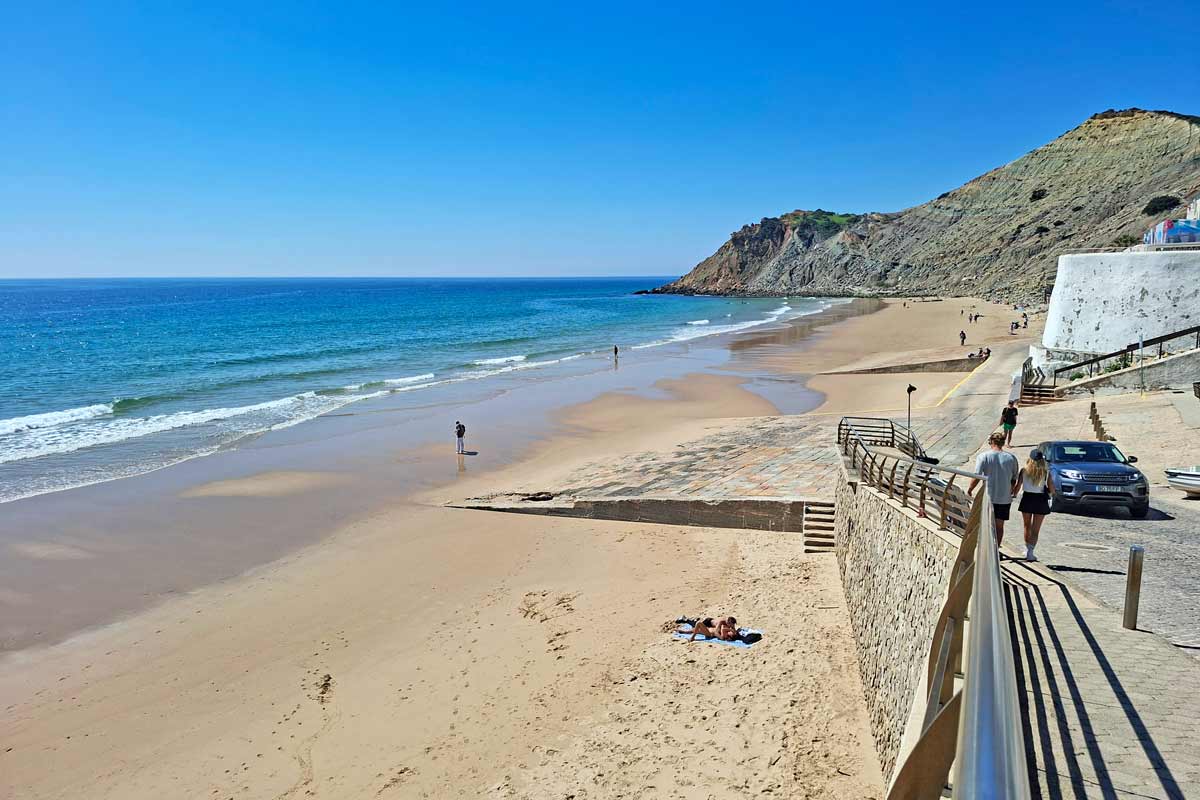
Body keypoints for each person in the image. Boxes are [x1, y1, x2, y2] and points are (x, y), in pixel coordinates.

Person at [968, 432, 1020, 545]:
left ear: (991, 442)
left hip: (988, 496)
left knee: (986, 523)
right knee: (999, 525)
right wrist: (1010, 490)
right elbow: (1014, 479)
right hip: (1004, 498)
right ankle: (996, 549)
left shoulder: (984, 456)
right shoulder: (1011, 458)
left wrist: (970, 489)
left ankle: (986, 547)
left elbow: (977, 476)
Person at [1017, 449, 1054, 561]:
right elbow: (1052, 488)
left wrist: (1012, 493)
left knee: (1026, 526)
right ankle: (1030, 552)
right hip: (1040, 500)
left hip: (1027, 498)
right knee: (1035, 529)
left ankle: (1026, 549)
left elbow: (1018, 487)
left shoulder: (1024, 471)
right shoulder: (1046, 472)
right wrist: (1051, 493)